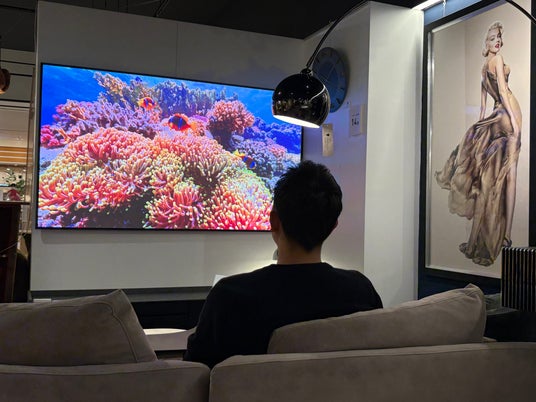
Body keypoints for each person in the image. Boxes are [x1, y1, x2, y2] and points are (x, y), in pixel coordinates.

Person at [183, 160, 383, 367]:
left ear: (274, 221)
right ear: (333, 226)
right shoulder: (361, 291)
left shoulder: (229, 296)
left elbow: (195, 372)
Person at [435, 21, 522, 266]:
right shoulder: (498, 60)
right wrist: (515, 125)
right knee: (510, 176)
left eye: (499, 37)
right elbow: (503, 92)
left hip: (496, 116)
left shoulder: (483, 71)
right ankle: (506, 235)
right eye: (493, 38)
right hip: (508, 114)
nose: (498, 41)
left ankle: (484, 238)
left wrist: (479, 134)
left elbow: (482, 110)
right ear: (486, 42)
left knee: (493, 178)